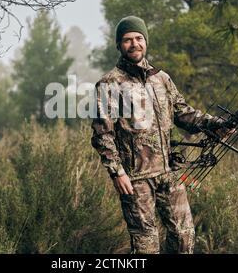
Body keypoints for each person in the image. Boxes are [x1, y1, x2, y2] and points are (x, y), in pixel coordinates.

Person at [91, 15, 230, 254]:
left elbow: (184, 114)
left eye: (139, 38)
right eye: (127, 40)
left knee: (184, 236)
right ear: (119, 45)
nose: (134, 44)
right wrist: (117, 172)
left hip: (169, 173)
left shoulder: (161, 78)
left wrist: (215, 124)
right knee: (146, 244)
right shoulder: (109, 84)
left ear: (146, 42)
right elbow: (102, 135)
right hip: (135, 179)